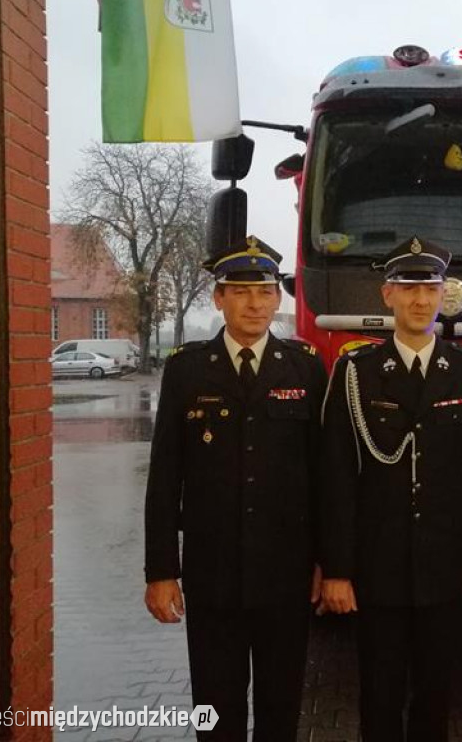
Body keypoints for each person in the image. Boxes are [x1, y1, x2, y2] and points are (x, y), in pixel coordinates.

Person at [319, 236, 462, 742]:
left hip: (447, 565)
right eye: (408, 288)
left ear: (444, 294)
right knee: (378, 694)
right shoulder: (355, 372)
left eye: (430, 288)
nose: (420, 300)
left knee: (436, 695)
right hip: (377, 566)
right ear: (387, 296)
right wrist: (337, 569)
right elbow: (337, 478)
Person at [143, 236, 327, 741]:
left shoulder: (305, 367)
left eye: (265, 292)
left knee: (280, 706)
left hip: (285, 574)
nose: (254, 303)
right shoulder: (186, 369)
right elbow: (164, 477)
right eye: (240, 292)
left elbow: (322, 475)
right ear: (218, 298)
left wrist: (325, 562)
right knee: (215, 709)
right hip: (213, 574)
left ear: (278, 299)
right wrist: (162, 571)